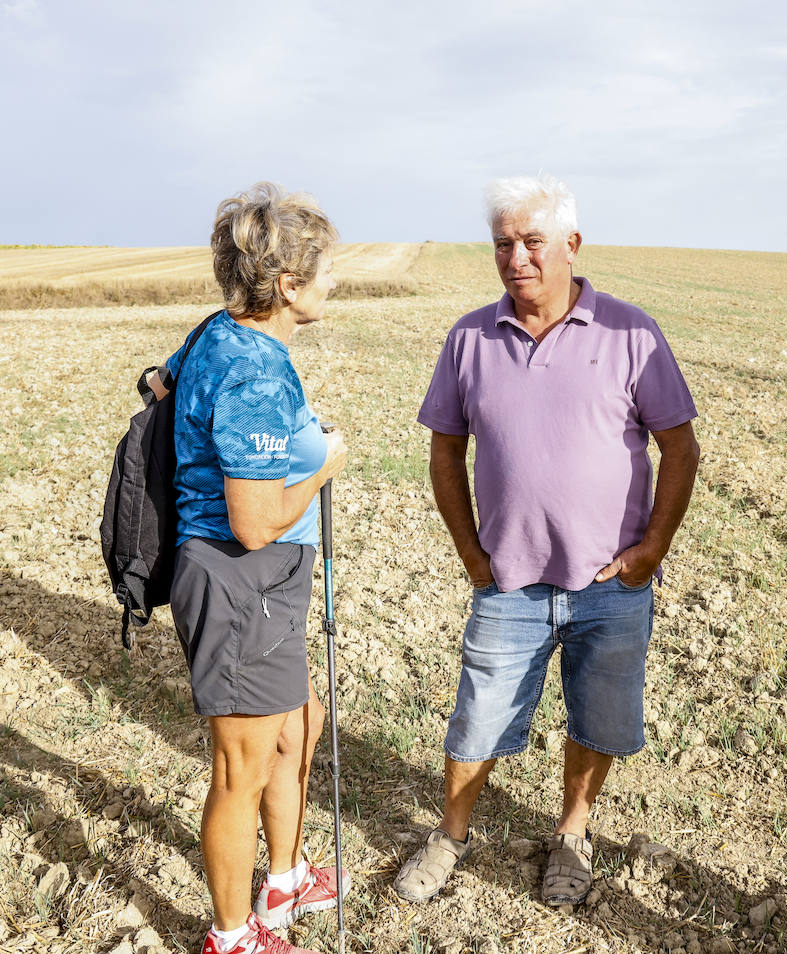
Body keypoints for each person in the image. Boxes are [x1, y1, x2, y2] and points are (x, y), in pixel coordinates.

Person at [394, 175, 700, 908]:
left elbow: (680, 449)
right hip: (509, 585)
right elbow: (444, 453)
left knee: (596, 717)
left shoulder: (631, 331)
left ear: (571, 244)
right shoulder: (469, 337)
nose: (517, 257)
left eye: (533, 241)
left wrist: (651, 549)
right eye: (503, 243)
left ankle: (571, 833)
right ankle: (451, 834)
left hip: (609, 585)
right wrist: (472, 552)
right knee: (478, 716)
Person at [156, 182, 350, 954]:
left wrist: (283, 439)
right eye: (324, 270)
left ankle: (287, 878)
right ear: (288, 286)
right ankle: (233, 936)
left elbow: (159, 383)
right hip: (241, 580)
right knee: (241, 768)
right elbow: (255, 520)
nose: (335, 282)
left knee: (297, 730)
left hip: (268, 585)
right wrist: (324, 464)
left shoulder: (218, 333)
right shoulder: (257, 372)